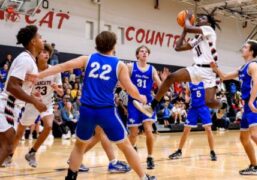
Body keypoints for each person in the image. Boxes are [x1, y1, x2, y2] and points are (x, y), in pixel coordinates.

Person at [27, 31, 155, 180]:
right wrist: (141, 97)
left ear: (97, 45)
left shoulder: (88, 59)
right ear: (113, 45)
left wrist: (38, 75)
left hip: (87, 110)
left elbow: (63, 66)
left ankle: (71, 177)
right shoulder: (119, 65)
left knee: (79, 146)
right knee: (125, 145)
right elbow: (130, 89)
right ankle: (143, 177)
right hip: (106, 111)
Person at [133, 10, 225, 118]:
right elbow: (178, 47)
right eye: (200, 18)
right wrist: (184, 30)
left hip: (209, 70)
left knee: (209, 102)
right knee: (170, 77)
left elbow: (189, 28)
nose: (200, 19)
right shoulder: (197, 38)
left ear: (209, 23)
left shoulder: (209, 30)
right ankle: (151, 107)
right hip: (196, 68)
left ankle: (223, 106)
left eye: (203, 18)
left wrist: (187, 18)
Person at [210, 40, 257, 179]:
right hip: (247, 105)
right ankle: (254, 166)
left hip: (254, 103)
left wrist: (251, 101)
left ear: (252, 51)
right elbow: (224, 77)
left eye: (245, 47)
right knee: (244, 138)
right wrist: (215, 68)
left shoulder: (254, 65)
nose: (242, 48)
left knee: (255, 135)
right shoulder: (242, 67)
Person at [2, 43, 64, 168]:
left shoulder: (55, 71)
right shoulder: (31, 69)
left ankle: (32, 152)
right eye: (43, 52)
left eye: (47, 52)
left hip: (47, 104)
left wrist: (57, 88)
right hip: (31, 104)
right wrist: (32, 95)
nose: (46, 54)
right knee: (19, 133)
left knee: (48, 126)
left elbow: (61, 92)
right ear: (37, 54)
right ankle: (9, 156)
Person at [0, 25, 47, 166]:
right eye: (39, 37)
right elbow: (12, 86)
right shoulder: (25, 59)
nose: (42, 39)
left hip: (13, 109)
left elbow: (20, 85)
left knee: (6, 145)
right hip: (7, 106)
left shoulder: (30, 60)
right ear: (33, 42)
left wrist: (32, 93)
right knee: (8, 145)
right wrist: (34, 101)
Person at [127, 45, 162, 170]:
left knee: (148, 129)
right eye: (141, 51)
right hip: (133, 102)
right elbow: (124, 81)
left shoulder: (152, 69)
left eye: (146, 51)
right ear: (137, 55)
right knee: (134, 133)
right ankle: (131, 155)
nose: (144, 53)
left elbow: (160, 85)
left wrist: (164, 82)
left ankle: (150, 157)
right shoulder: (131, 67)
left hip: (147, 103)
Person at [169, 82, 217, 161]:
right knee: (186, 130)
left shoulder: (204, 82)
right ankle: (179, 151)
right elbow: (187, 94)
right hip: (193, 108)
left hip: (203, 107)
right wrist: (187, 98)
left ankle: (212, 152)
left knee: (208, 129)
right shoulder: (189, 83)